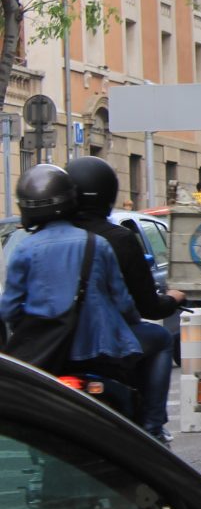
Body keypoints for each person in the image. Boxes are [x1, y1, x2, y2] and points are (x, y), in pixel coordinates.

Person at [67, 156, 186, 442]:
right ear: (109, 193)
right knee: (160, 339)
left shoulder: (45, 239)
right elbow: (143, 306)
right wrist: (172, 298)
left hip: (57, 342)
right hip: (106, 341)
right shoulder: (118, 240)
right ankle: (153, 428)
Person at [0, 164, 141, 390]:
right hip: (101, 348)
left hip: (49, 351)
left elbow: (9, 310)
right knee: (160, 343)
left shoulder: (24, 250)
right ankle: (152, 423)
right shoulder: (98, 244)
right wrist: (134, 320)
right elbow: (122, 301)